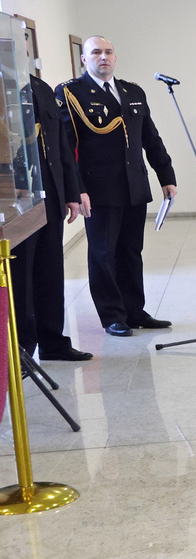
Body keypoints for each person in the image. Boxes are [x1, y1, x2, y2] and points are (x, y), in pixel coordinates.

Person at [56, 36, 177, 337]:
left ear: (115, 57)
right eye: (95, 52)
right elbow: (67, 149)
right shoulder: (71, 93)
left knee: (131, 251)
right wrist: (77, 189)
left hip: (134, 185)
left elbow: (150, 137)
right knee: (103, 253)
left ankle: (134, 310)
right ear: (84, 59)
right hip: (98, 189)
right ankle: (112, 315)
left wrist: (166, 175)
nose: (103, 57)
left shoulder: (132, 91)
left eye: (108, 52)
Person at [12, 71, 90, 362]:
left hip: (50, 196)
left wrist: (71, 191)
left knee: (49, 273)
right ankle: (21, 350)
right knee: (21, 278)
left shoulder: (40, 87)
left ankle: (53, 343)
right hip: (16, 199)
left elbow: (61, 146)